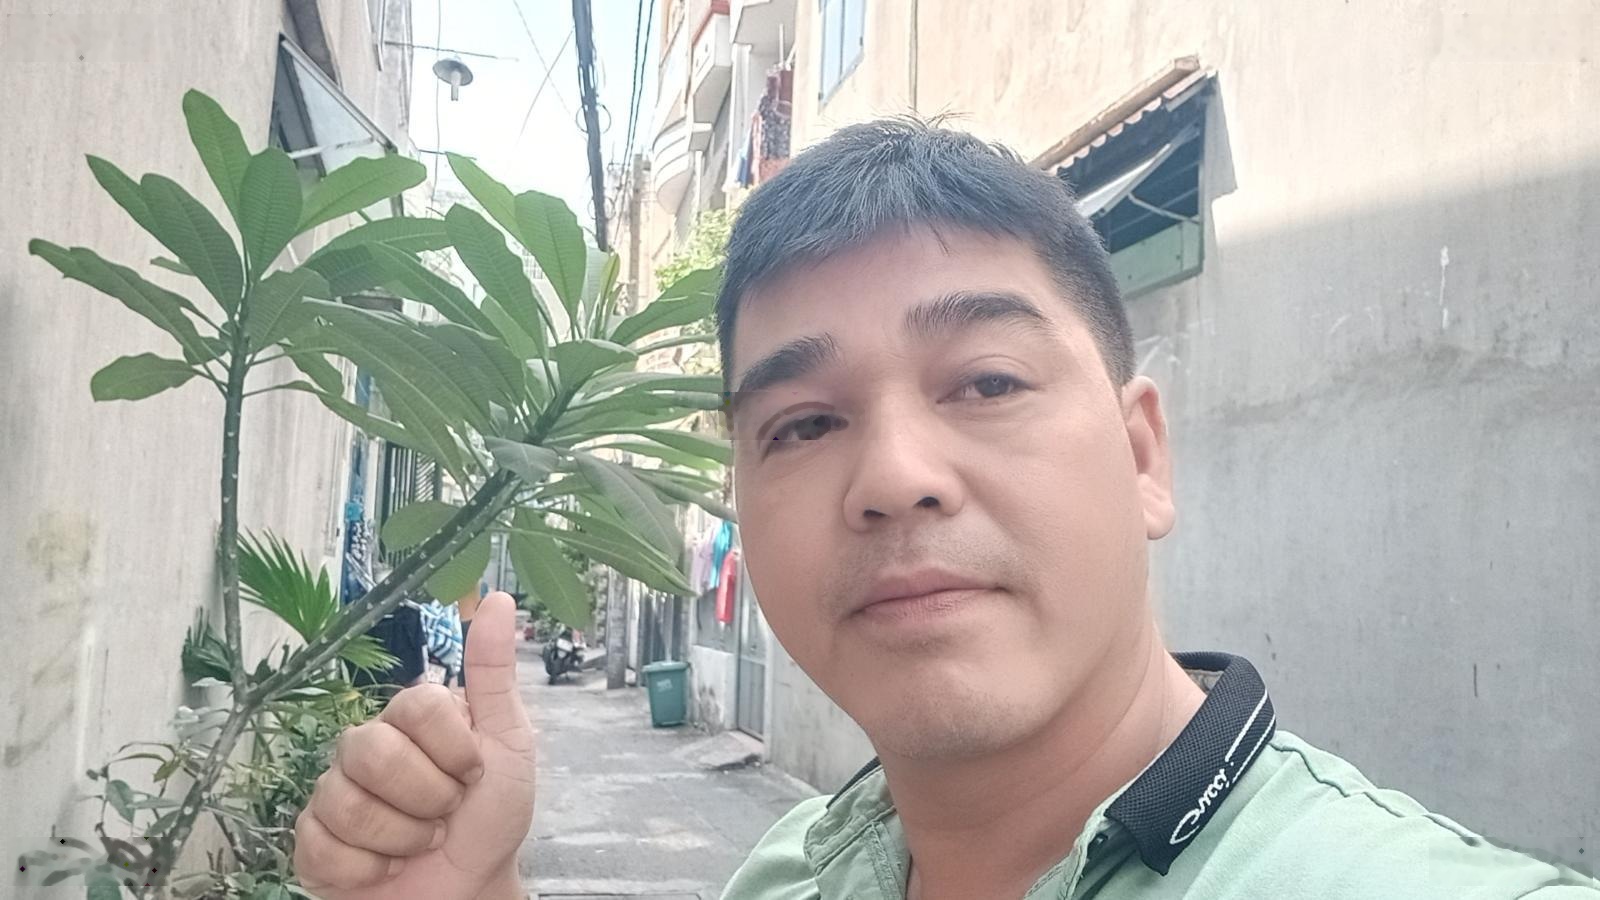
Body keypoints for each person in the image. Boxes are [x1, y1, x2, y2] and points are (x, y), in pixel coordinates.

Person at [291, 120, 1600, 899]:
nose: (892, 476)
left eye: (985, 381)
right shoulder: (795, 872)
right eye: (804, 424)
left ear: (1143, 455)